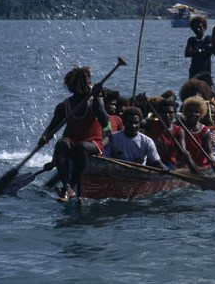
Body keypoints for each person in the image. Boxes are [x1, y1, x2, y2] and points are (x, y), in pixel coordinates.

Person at [39, 66, 109, 203]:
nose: (87, 86)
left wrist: (96, 98)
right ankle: (67, 187)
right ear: (72, 86)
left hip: (93, 142)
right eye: (83, 84)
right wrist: (44, 136)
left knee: (82, 147)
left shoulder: (94, 101)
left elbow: (105, 121)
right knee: (60, 144)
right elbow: (51, 128)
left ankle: (70, 186)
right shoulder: (63, 106)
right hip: (74, 140)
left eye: (87, 83)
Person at [144, 98, 200, 172]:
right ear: (158, 113)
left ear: (174, 114)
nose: (167, 115)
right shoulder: (150, 124)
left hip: (168, 164)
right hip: (150, 162)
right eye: (164, 112)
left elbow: (183, 151)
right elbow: (137, 122)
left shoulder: (178, 131)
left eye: (170, 113)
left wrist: (186, 155)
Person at [103, 107, 168, 170]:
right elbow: (106, 159)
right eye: (130, 122)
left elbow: (156, 161)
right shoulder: (113, 138)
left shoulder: (147, 141)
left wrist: (165, 169)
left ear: (140, 123)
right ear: (124, 122)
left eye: (136, 122)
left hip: (139, 175)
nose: (133, 126)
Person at [179, 96, 213, 167]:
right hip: (183, 165)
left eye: (196, 112)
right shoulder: (179, 128)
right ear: (186, 112)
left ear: (200, 114)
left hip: (200, 165)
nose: (193, 114)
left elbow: (209, 152)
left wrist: (212, 160)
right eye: (191, 111)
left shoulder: (205, 131)